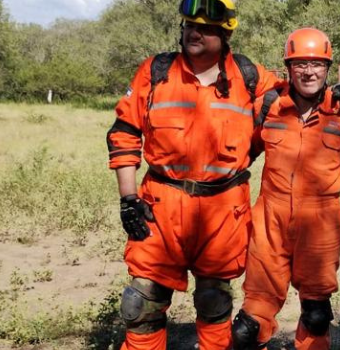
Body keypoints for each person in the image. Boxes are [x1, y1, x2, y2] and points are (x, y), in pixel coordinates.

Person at [105, 1, 284, 348]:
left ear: (226, 32)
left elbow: (301, 100)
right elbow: (124, 132)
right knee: (142, 302)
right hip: (160, 206)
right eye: (189, 25)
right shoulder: (156, 71)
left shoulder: (250, 78)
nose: (193, 32)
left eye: (204, 27)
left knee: (214, 301)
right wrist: (128, 199)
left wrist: (339, 101)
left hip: (224, 209)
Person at [234, 27, 340, 350]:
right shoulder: (270, 107)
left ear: (327, 68)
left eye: (316, 64)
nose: (308, 71)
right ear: (288, 67)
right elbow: (240, 156)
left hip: (321, 225)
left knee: (315, 315)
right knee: (248, 325)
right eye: (300, 64)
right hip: (270, 221)